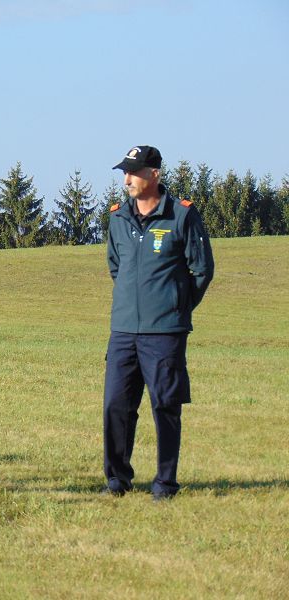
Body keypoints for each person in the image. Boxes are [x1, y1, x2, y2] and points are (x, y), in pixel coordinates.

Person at [102, 145, 214, 501]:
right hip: (123, 331)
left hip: (164, 332)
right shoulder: (118, 217)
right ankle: (117, 481)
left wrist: (175, 306)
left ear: (154, 174)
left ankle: (165, 484)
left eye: (133, 172)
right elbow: (115, 266)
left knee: (165, 405)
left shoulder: (181, 215)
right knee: (116, 406)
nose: (127, 179)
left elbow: (202, 269)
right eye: (124, 172)